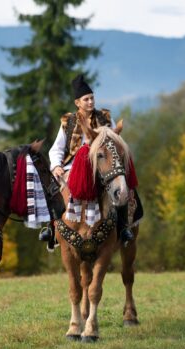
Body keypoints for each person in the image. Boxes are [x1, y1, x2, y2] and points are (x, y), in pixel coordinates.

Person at [47, 74, 136, 243]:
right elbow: (56, 149)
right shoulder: (68, 121)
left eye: (92, 98)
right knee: (51, 189)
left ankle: (123, 227)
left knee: (122, 186)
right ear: (77, 103)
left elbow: (116, 140)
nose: (90, 102)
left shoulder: (105, 117)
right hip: (72, 167)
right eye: (86, 99)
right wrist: (56, 166)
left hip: (101, 166)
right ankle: (51, 230)